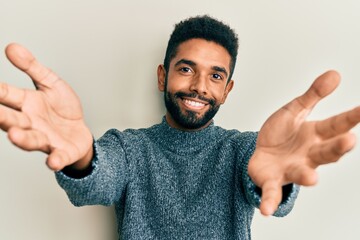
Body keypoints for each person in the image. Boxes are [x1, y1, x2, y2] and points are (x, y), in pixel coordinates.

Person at [0, 15, 359, 239]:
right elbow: (96, 183)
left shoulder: (244, 150)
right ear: (163, 75)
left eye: (215, 76)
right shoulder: (128, 148)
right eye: (186, 69)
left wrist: (278, 181)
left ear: (227, 90)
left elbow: (270, 193)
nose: (200, 87)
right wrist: (81, 157)